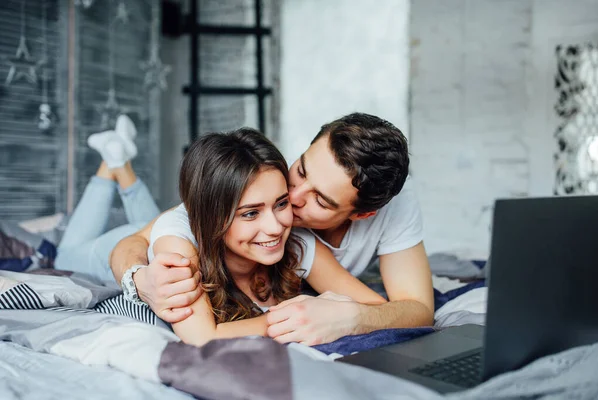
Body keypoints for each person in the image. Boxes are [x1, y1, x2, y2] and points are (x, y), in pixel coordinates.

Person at [110, 113, 434, 346]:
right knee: (90, 241)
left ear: (363, 214)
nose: (291, 202)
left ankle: (117, 164)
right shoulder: (185, 227)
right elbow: (138, 240)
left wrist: (347, 317)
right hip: (109, 249)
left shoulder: (298, 239)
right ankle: (116, 166)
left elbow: (407, 309)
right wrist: (136, 276)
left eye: (319, 199)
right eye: (301, 171)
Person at [149, 128, 385, 346]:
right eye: (251, 213)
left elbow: (376, 308)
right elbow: (201, 338)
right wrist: (302, 316)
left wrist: (341, 316)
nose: (275, 227)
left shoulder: (297, 243)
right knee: (140, 217)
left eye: (281, 203)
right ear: (212, 216)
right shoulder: (177, 243)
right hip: (138, 237)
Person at [54, 115, 163, 284]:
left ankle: (115, 160)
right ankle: (116, 159)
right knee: (156, 229)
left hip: (152, 237)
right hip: (155, 236)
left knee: (62, 259)